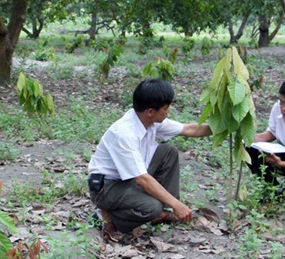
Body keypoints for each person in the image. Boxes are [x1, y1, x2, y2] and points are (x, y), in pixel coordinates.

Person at [88, 78, 212, 239]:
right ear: (150, 111)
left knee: (168, 152)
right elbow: (142, 179)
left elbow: (190, 129)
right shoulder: (124, 133)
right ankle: (106, 217)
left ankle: (164, 211)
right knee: (151, 207)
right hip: (106, 187)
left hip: (130, 178)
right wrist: (177, 204)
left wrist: (223, 127)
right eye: (165, 109)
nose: (168, 112)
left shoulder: (151, 121)